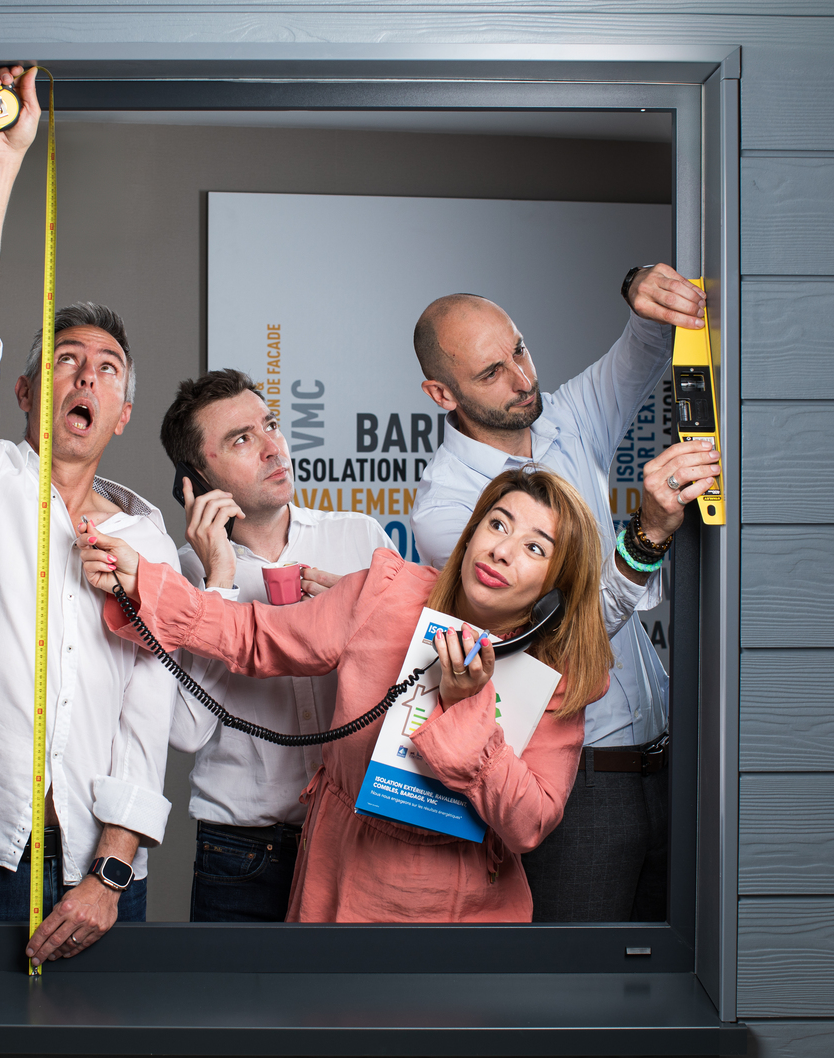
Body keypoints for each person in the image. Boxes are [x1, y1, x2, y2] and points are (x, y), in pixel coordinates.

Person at [76, 466, 683, 922]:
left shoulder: (558, 673)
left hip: (464, 911)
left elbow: (529, 824)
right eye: (498, 524)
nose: (502, 549)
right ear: (472, 531)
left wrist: (467, 708)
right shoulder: (386, 592)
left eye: (535, 547)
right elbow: (253, 636)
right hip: (343, 879)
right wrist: (144, 585)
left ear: (555, 584)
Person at [0, 65, 180, 967]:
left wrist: (109, 876)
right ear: (27, 392)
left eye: (107, 368)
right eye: (66, 359)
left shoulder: (151, 544)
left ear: (122, 415)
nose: (86, 375)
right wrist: (0, 159)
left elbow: (147, 726)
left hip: (100, 871)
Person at [408, 267, 722, 922]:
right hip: (577, 792)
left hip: (667, 765)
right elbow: (564, 630)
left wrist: (639, 290)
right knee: (578, 995)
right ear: (441, 392)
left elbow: (640, 349)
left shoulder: (563, 418)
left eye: (519, 350)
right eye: (490, 372)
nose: (522, 380)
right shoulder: (448, 510)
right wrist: (647, 535)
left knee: (678, 984)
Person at [158, 368, 393, 921]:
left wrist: (365, 617)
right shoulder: (181, 575)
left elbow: (420, 680)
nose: (272, 448)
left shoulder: (359, 538)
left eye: (270, 425)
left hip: (360, 838)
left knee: (354, 1010)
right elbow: (186, 732)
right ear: (196, 478)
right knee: (237, 1010)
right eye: (242, 439)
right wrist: (219, 585)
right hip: (241, 854)